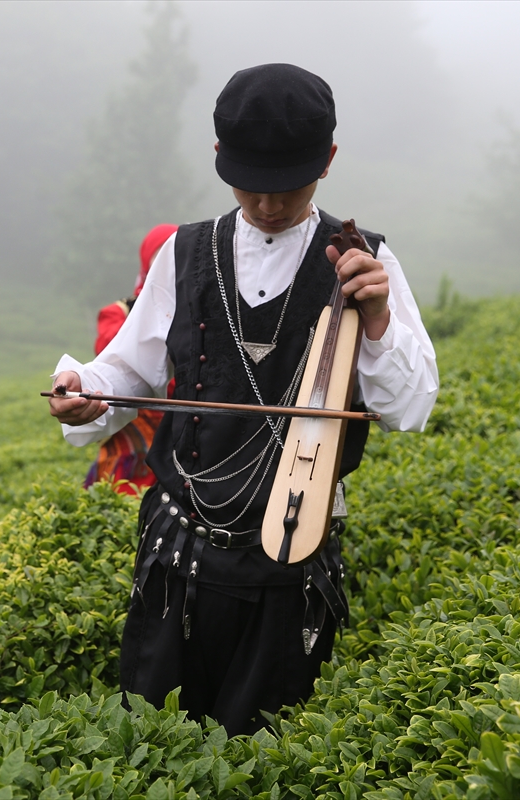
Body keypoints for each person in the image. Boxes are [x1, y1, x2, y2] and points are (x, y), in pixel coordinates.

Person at [48, 64, 438, 736]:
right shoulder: (185, 251)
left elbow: (408, 407)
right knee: (151, 743)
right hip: (178, 553)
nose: (268, 205)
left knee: (267, 750)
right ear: (220, 159)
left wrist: (376, 315)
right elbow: (125, 370)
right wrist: (87, 395)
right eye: (250, 183)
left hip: (292, 548)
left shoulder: (365, 260)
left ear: (328, 162)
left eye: (287, 185)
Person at [84, 223, 179, 495]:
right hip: (137, 431)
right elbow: (118, 366)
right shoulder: (120, 313)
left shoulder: (199, 309)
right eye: (159, 255)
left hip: (186, 431)